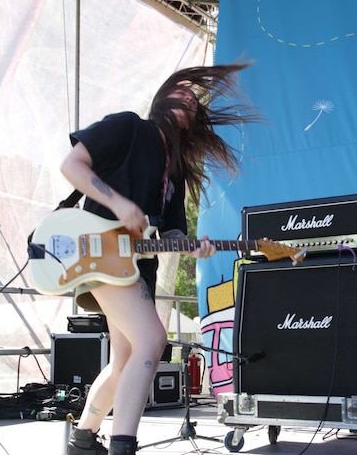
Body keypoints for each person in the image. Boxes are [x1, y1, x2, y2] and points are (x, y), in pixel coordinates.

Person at [60, 64, 261, 455]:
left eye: (193, 97)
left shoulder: (177, 168)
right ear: (161, 97)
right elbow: (71, 165)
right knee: (152, 341)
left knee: (125, 359)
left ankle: (83, 438)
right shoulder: (127, 127)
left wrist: (193, 247)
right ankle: (123, 446)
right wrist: (119, 205)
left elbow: (169, 233)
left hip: (137, 266)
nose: (188, 96)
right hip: (99, 251)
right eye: (180, 90)